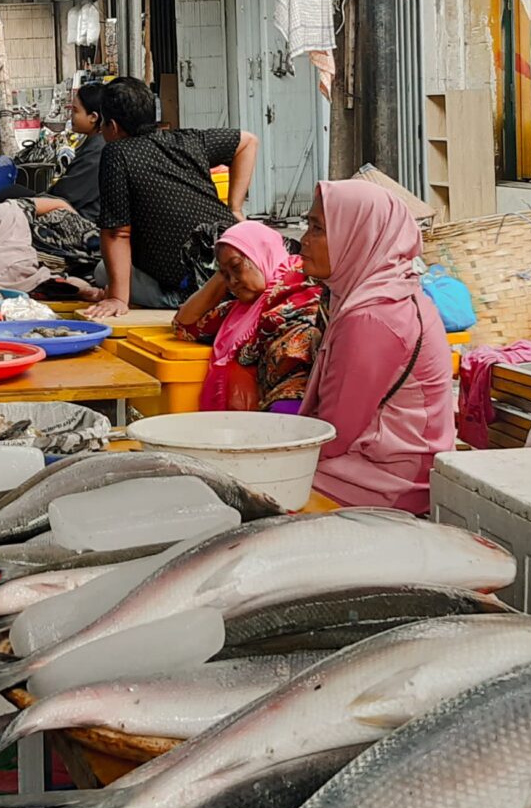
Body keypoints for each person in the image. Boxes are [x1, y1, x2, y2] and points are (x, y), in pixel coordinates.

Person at [296, 180, 456, 512]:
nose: (304, 241)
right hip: (407, 463)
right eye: (307, 225)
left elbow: (334, 434)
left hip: (394, 480)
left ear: (357, 237)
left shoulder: (370, 318)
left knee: (262, 493)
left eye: (318, 228)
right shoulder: (390, 290)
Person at [85, 78, 259, 317]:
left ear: (112, 126)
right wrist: (235, 208)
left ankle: (174, 298)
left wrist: (117, 298)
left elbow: (118, 232)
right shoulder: (187, 139)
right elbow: (248, 141)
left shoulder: (117, 153)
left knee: (102, 271)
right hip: (238, 269)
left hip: (190, 291)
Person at [176, 220, 324, 413]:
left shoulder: (302, 280)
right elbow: (184, 325)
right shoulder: (239, 312)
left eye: (237, 266)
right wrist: (225, 271)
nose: (232, 282)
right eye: (225, 275)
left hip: (307, 403)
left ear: (264, 252)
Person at [48, 76, 109, 215]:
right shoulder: (94, 142)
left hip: (86, 221)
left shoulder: (98, 150)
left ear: (93, 117)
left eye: (75, 111)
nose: (71, 116)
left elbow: (67, 194)